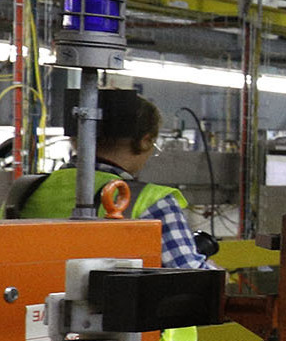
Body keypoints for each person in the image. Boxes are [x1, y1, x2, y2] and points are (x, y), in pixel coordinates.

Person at [15, 87, 200, 268]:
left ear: (75, 138)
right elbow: (194, 277)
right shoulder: (153, 201)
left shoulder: (24, 190)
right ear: (145, 141)